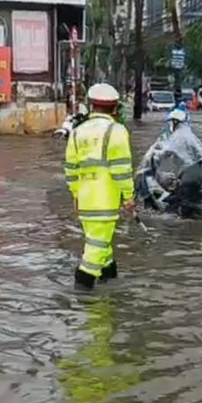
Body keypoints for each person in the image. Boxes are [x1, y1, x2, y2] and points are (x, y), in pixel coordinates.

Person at [64, 83, 134, 289]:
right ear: (115, 108)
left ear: (92, 106)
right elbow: (121, 168)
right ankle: (83, 290)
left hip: (85, 200)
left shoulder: (77, 132)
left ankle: (110, 279)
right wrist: (128, 196)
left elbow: (71, 169)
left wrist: (76, 194)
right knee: (95, 249)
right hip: (105, 202)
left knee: (100, 243)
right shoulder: (117, 131)